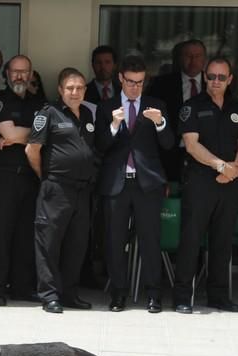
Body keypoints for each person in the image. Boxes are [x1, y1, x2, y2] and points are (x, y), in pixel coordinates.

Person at [96, 55, 174, 313]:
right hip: (116, 181)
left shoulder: (156, 105)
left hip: (147, 182)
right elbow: (101, 146)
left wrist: (160, 123)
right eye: (130, 82)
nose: (135, 87)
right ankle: (118, 293)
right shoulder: (106, 106)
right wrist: (115, 124)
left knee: (150, 239)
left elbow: (169, 145)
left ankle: (154, 294)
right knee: (114, 240)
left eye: (140, 83)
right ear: (120, 78)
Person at [173, 57, 238, 314]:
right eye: (211, 76)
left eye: (221, 77)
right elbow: (192, 145)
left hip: (229, 183)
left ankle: (218, 296)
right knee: (191, 239)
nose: (215, 81)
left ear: (230, 80)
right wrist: (221, 166)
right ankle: (183, 296)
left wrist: (234, 168)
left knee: (223, 241)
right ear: (205, 77)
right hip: (200, 182)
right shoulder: (192, 106)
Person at [26, 67, 98, 314]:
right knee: (49, 244)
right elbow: (32, 150)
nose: (75, 92)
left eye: (79, 88)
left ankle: (69, 293)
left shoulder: (88, 114)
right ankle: (49, 295)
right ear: (60, 90)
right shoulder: (48, 113)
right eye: (70, 88)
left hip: (82, 191)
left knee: (76, 245)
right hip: (56, 188)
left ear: (85, 90)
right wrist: (45, 178)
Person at [0, 54, 44, 306]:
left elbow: (47, 132)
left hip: (31, 177)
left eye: (24, 72)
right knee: (0, 234)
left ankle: (21, 287)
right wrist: (26, 135)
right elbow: (12, 132)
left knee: (25, 234)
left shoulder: (39, 103)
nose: (19, 76)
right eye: (15, 71)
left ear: (31, 75)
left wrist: (18, 137)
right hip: (4, 177)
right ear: (6, 74)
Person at [147, 39, 207, 182]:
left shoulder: (214, 83)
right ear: (180, 58)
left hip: (207, 152)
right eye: (188, 56)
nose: (192, 60)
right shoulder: (161, 84)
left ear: (204, 59)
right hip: (170, 153)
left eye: (197, 56)